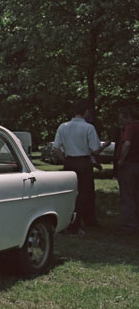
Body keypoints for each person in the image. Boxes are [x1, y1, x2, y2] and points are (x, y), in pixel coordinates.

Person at [53, 100, 110, 234]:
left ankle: (68, 220)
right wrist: (105, 145)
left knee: (70, 192)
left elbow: (56, 149)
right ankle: (80, 222)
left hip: (70, 161)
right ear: (85, 111)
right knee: (85, 193)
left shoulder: (63, 126)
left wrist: (66, 160)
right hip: (84, 162)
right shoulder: (88, 128)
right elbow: (95, 150)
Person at [116, 106, 139, 234]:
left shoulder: (130, 128)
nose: (120, 122)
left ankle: (129, 225)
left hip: (129, 165)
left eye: (121, 119)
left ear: (128, 117)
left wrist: (121, 160)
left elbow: (127, 144)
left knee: (127, 195)